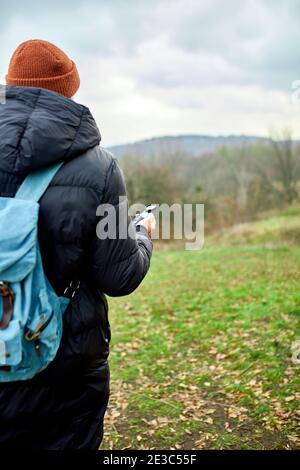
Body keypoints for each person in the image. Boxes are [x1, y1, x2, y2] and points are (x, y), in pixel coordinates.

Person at [0, 39, 155, 450]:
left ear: (10, 83)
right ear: (70, 88)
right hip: (64, 359)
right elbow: (119, 275)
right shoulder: (99, 168)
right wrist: (142, 234)